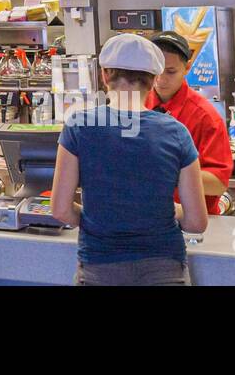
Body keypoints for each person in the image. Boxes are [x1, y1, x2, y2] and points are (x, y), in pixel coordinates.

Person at [50, 34, 209, 286]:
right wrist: (170, 212)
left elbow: (60, 209)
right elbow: (197, 222)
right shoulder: (177, 132)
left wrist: (97, 218)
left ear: (104, 76)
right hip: (164, 268)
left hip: (99, 268)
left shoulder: (78, 126)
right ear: (154, 80)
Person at [147, 30, 233, 215]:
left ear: (187, 67)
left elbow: (218, 184)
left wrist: (163, 173)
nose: (160, 79)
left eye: (170, 71)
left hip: (194, 223)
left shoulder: (206, 117)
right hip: (147, 220)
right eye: (156, 71)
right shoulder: (136, 105)